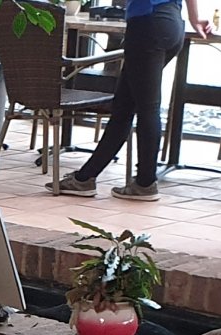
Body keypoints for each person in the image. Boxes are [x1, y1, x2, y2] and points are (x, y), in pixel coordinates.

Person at [49, 0, 211, 201]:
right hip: (173, 23)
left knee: (147, 108)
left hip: (147, 24)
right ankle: (85, 178)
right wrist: (194, 17)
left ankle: (145, 183)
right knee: (124, 107)